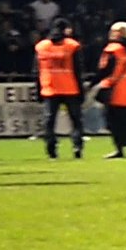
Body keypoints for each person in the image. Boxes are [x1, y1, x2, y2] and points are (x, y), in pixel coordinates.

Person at [34, 17, 86, 159]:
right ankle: (77, 146)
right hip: (70, 88)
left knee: (49, 121)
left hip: (50, 88)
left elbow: (36, 71)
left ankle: (51, 150)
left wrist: (38, 90)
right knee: (75, 120)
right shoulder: (72, 46)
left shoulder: (41, 46)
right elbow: (78, 70)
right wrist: (81, 91)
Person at [95, 21, 126, 158]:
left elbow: (105, 70)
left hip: (115, 89)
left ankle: (119, 149)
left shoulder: (114, 49)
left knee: (113, 121)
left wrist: (94, 83)